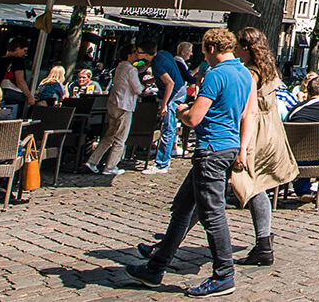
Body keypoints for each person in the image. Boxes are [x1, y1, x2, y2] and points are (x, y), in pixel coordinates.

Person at [125, 28, 250, 297]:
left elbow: (194, 118)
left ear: (212, 48)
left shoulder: (216, 75)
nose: (203, 55)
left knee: (212, 214)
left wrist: (181, 111)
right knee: (183, 209)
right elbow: (244, 113)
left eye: (204, 50)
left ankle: (224, 274)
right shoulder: (243, 73)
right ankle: (156, 267)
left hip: (211, 149)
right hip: (228, 146)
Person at [224, 27, 296, 267]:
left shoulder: (250, 74)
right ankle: (263, 243)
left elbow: (246, 108)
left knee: (246, 184)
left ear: (246, 48)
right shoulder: (269, 68)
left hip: (254, 132)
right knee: (256, 186)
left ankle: (169, 245)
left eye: (238, 47)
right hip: (271, 130)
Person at [88, 42, 150, 176]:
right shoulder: (131, 69)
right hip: (125, 105)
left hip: (113, 104)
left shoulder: (121, 67)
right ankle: (111, 166)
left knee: (109, 135)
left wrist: (144, 64)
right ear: (129, 55)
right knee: (120, 138)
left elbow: (136, 68)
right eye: (134, 52)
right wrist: (147, 84)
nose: (136, 54)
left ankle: (93, 160)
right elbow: (138, 89)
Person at [146, 42, 194, 175]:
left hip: (174, 93)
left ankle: (162, 163)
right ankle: (163, 159)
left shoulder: (157, 63)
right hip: (179, 90)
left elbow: (169, 83)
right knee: (169, 127)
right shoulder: (164, 55)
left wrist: (164, 104)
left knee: (168, 127)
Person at [0, 38, 32, 110]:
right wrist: (29, 96)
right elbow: (20, 81)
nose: (24, 53)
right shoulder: (18, 61)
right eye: (24, 50)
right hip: (8, 95)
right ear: (17, 48)